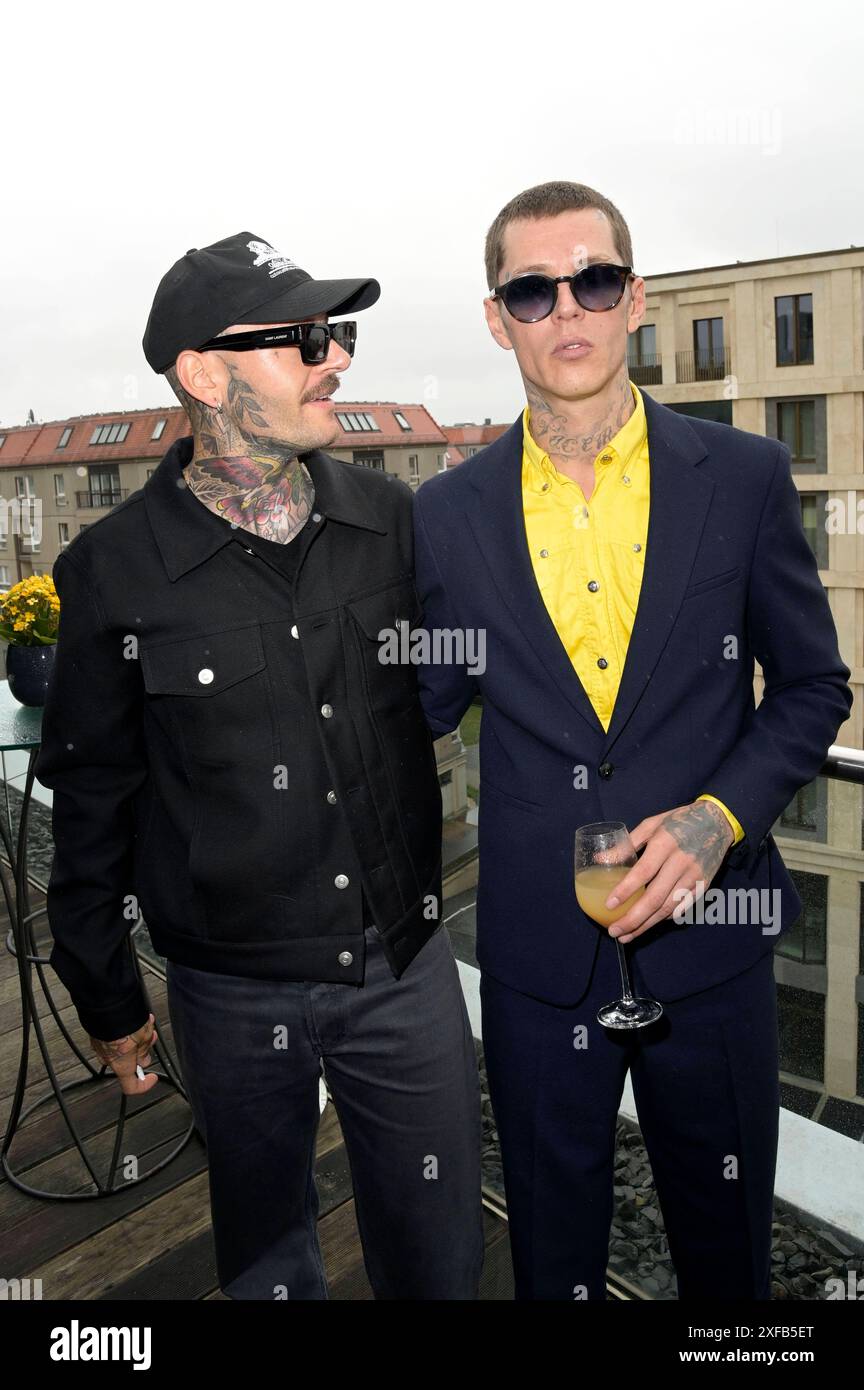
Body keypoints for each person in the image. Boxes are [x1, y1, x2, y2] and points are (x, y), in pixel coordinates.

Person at [412, 181, 853, 1300]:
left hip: (712, 940)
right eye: (533, 288)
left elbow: (812, 686)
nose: (569, 310)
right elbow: (412, 703)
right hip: (534, 962)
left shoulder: (742, 478)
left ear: (636, 298)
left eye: (594, 280)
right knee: (553, 1259)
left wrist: (717, 819)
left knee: (726, 1262)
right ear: (496, 315)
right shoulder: (445, 514)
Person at [35, 231, 483, 1301]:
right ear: (203, 374)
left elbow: (454, 684)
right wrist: (106, 997)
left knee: (439, 1252)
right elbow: (95, 797)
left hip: (406, 970)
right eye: (304, 340)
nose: (335, 358)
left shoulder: (394, 522)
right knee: (269, 1256)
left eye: (339, 334)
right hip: (230, 993)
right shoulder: (111, 570)